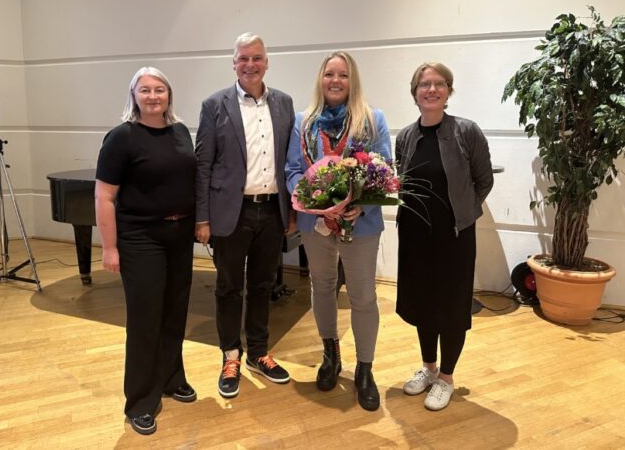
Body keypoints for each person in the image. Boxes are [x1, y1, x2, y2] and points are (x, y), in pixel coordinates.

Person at [285, 51, 391, 411]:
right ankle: (331, 355)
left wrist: (364, 202)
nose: (335, 80)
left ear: (352, 80)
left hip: (360, 224)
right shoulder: (304, 122)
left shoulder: (372, 119)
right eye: (329, 74)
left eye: (342, 75)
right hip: (315, 223)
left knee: (362, 296)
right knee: (323, 286)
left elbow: (384, 170)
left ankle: (365, 369)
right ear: (320, 78)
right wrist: (309, 195)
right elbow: (291, 171)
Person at [95, 67, 197, 435]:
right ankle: (140, 399)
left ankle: (171, 379)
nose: (153, 96)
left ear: (169, 94)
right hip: (141, 237)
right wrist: (109, 247)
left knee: (175, 310)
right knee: (145, 319)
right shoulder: (122, 137)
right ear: (133, 96)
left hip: (180, 234)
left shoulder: (181, 132)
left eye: (160, 90)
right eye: (145, 90)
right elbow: (104, 197)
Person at [195, 32, 296, 399]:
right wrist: (202, 218)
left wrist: (293, 212)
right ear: (233, 63)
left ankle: (258, 352)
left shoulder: (284, 103)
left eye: (257, 57)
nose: (250, 64)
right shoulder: (214, 105)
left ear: (267, 62)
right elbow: (203, 165)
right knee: (228, 287)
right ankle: (230, 355)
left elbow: (290, 161)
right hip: (230, 213)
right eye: (243, 58)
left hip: (271, 210)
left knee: (262, 285)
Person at [395, 62, 494, 411]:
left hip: (454, 236)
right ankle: (428, 368)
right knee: (423, 302)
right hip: (415, 236)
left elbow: (484, 180)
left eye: (439, 84)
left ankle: (447, 378)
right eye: (424, 84)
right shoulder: (406, 136)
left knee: (451, 306)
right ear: (415, 92)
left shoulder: (467, 132)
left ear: (449, 91)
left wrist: (464, 211)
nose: (431, 89)